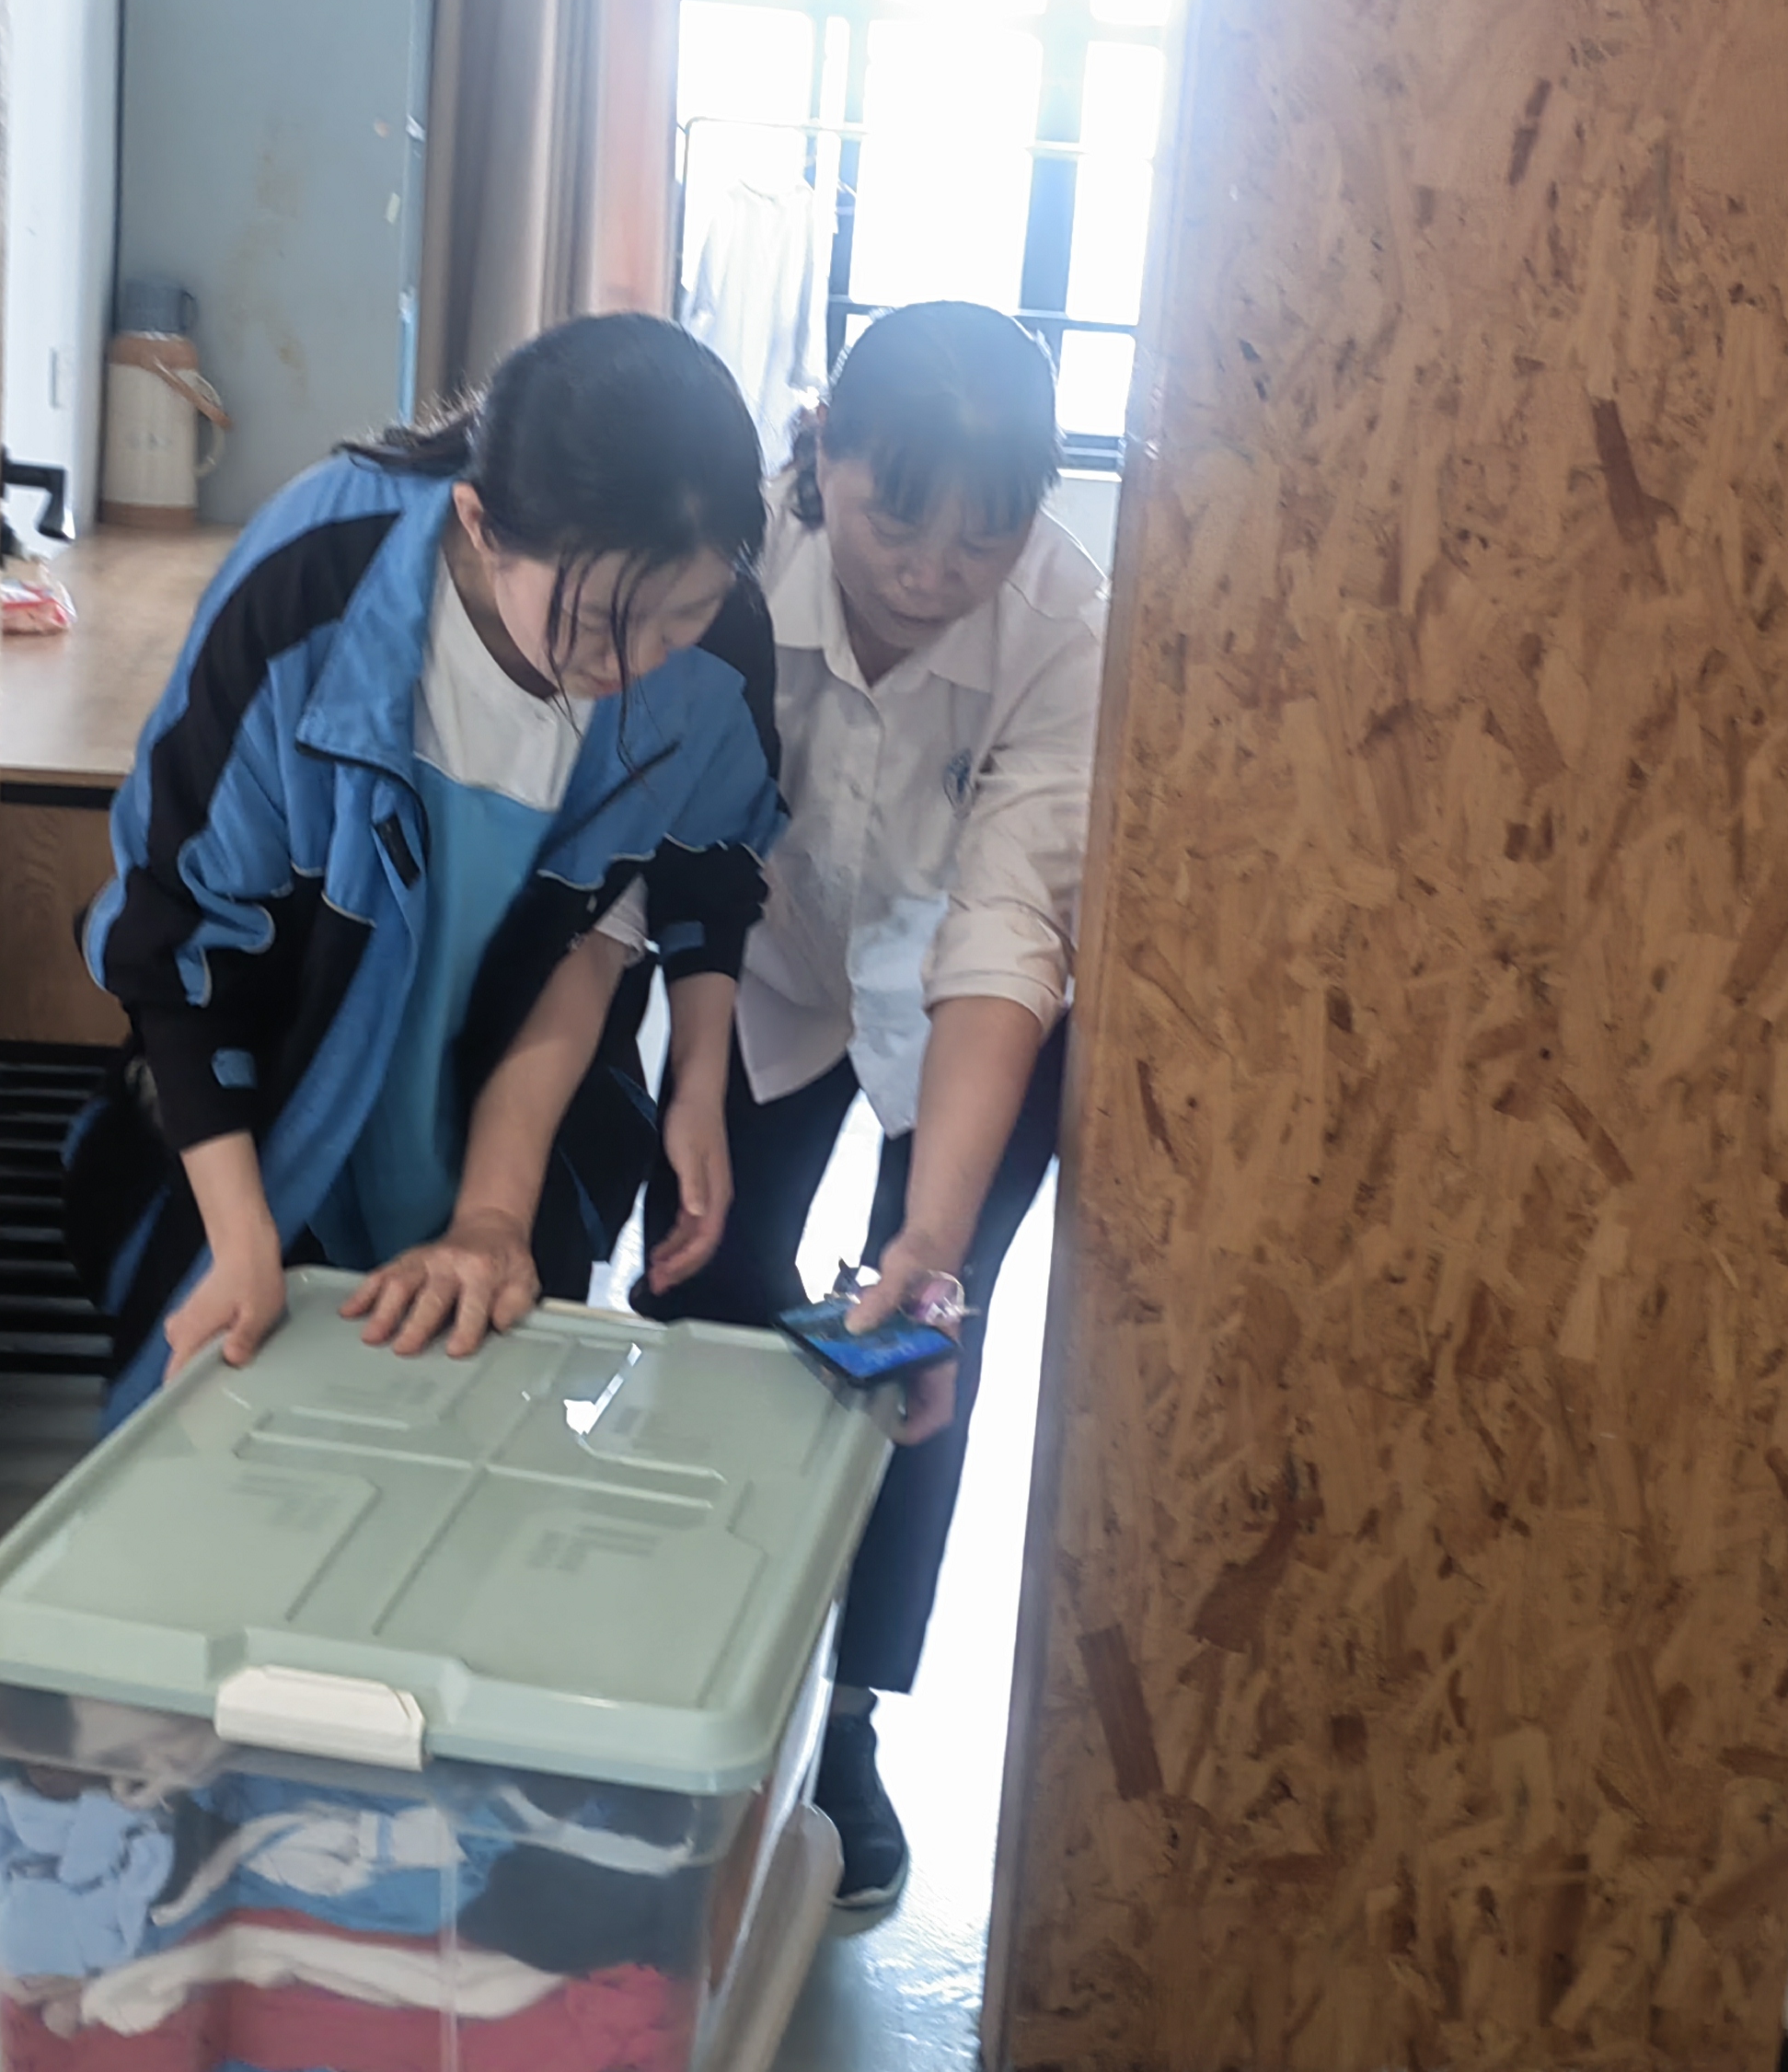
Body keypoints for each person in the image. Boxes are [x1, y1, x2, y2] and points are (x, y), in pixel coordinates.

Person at [67, 314, 781, 1430]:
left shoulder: (718, 650)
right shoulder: (316, 579)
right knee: (221, 1427)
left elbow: (627, 922)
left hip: (511, 1106)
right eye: (596, 625)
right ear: (481, 524)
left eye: (679, 619)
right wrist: (241, 1240)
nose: (637, 666)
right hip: (268, 1094)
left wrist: (504, 1210)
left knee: (465, 1432)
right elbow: (182, 933)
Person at [638, 300, 1104, 1911]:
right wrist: (692, 1071)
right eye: (896, 520)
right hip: (754, 962)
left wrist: (932, 1237)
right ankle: (699, 1655)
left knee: (917, 1336)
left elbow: (1009, 923)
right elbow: (667, 830)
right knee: (701, 1273)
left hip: (968, 1008)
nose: (930, 571)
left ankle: (850, 1719)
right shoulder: (731, 556)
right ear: (822, 449)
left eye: (985, 536)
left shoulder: (1069, 628)